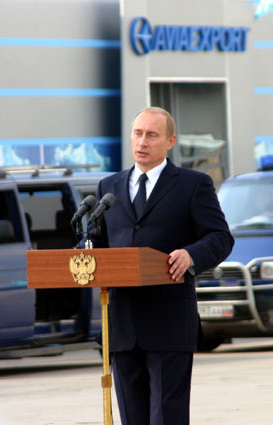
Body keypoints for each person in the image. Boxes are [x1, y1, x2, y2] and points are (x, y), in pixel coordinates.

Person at [90, 107, 233, 425]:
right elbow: (98, 246)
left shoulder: (193, 184)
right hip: (122, 325)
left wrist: (190, 255)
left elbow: (221, 237)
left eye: (152, 135)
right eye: (137, 133)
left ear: (170, 141)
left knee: (166, 417)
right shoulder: (107, 188)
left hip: (169, 323)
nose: (142, 141)